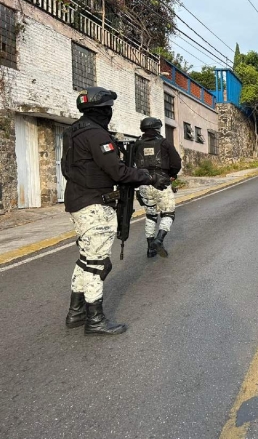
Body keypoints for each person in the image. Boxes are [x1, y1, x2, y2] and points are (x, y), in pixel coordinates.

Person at [62, 87, 171, 336]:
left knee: (86, 258)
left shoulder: (72, 132)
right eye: (109, 108)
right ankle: (95, 319)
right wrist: (149, 177)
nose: (110, 112)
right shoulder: (96, 134)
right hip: (94, 205)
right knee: (98, 263)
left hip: (77, 201)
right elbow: (118, 172)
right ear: (103, 111)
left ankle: (76, 312)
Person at [132, 117, 182, 258]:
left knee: (150, 215)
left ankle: (150, 248)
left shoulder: (137, 144)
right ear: (156, 128)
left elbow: (131, 164)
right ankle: (159, 240)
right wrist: (172, 175)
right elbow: (176, 163)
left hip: (144, 183)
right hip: (161, 183)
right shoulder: (164, 142)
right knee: (168, 213)